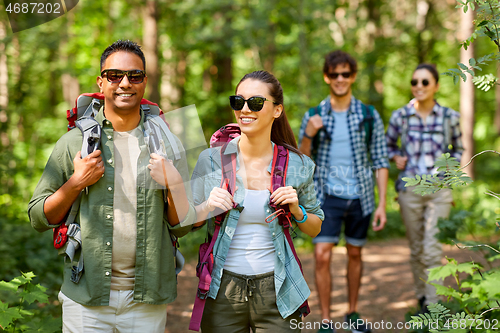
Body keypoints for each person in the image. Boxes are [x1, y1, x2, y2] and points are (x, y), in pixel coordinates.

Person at [28, 40, 195, 332]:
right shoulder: (74, 144)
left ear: (145, 81)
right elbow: (38, 217)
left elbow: (181, 226)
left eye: (135, 76)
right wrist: (75, 183)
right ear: (101, 82)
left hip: (147, 298)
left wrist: (175, 184)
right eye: (115, 75)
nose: (125, 84)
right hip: (86, 297)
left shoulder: (168, 144)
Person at [191, 70, 324, 332]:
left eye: (255, 102)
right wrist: (206, 207)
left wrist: (297, 210)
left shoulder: (299, 165)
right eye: (238, 102)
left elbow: (315, 226)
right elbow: (184, 223)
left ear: (277, 110)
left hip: (279, 289)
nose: (244, 110)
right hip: (221, 290)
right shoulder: (210, 160)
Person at [298, 50, 389, 333]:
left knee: (354, 254)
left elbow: (381, 160)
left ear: (353, 77)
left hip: (360, 195)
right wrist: (309, 134)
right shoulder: (313, 115)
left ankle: (352, 312)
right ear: (327, 76)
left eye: (345, 74)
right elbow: (302, 160)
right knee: (322, 254)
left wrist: (383, 204)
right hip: (326, 197)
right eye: (334, 74)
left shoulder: (368, 115)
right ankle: (326, 320)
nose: (340, 79)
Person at [386, 63, 463, 313]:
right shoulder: (400, 116)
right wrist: (395, 157)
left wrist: (450, 169)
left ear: (436, 86)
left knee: (432, 248)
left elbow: (459, 149)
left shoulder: (450, 116)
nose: (419, 86)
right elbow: (387, 146)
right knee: (417, 247)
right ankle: (422, 295)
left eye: (425, 82)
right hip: (410, 190)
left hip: (440, 190)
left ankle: (433, 307)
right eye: (414, 82)